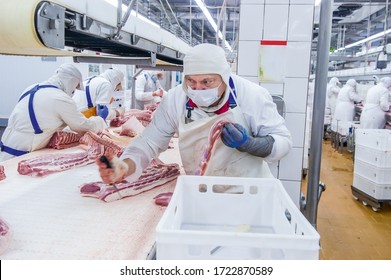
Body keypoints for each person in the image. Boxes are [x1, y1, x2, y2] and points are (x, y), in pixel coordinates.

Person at [96, 43, 292, 184]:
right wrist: (125, 165)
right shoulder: (175, 98)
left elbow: (282, 142)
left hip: (251, 191)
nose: (198, 89)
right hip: (201, 190)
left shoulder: (252, 95)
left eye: (207, 82)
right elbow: (149, 142)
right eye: (191, 81)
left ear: (224, 77)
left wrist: (249, 144)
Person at [0, 64, 107, 162]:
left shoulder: (31, 88)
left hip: (5, 148)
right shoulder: (60, 98)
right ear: (70, 82)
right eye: (74, 88)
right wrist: (100, 120)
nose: (73, 92)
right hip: (21, 155)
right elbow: (82, 126)